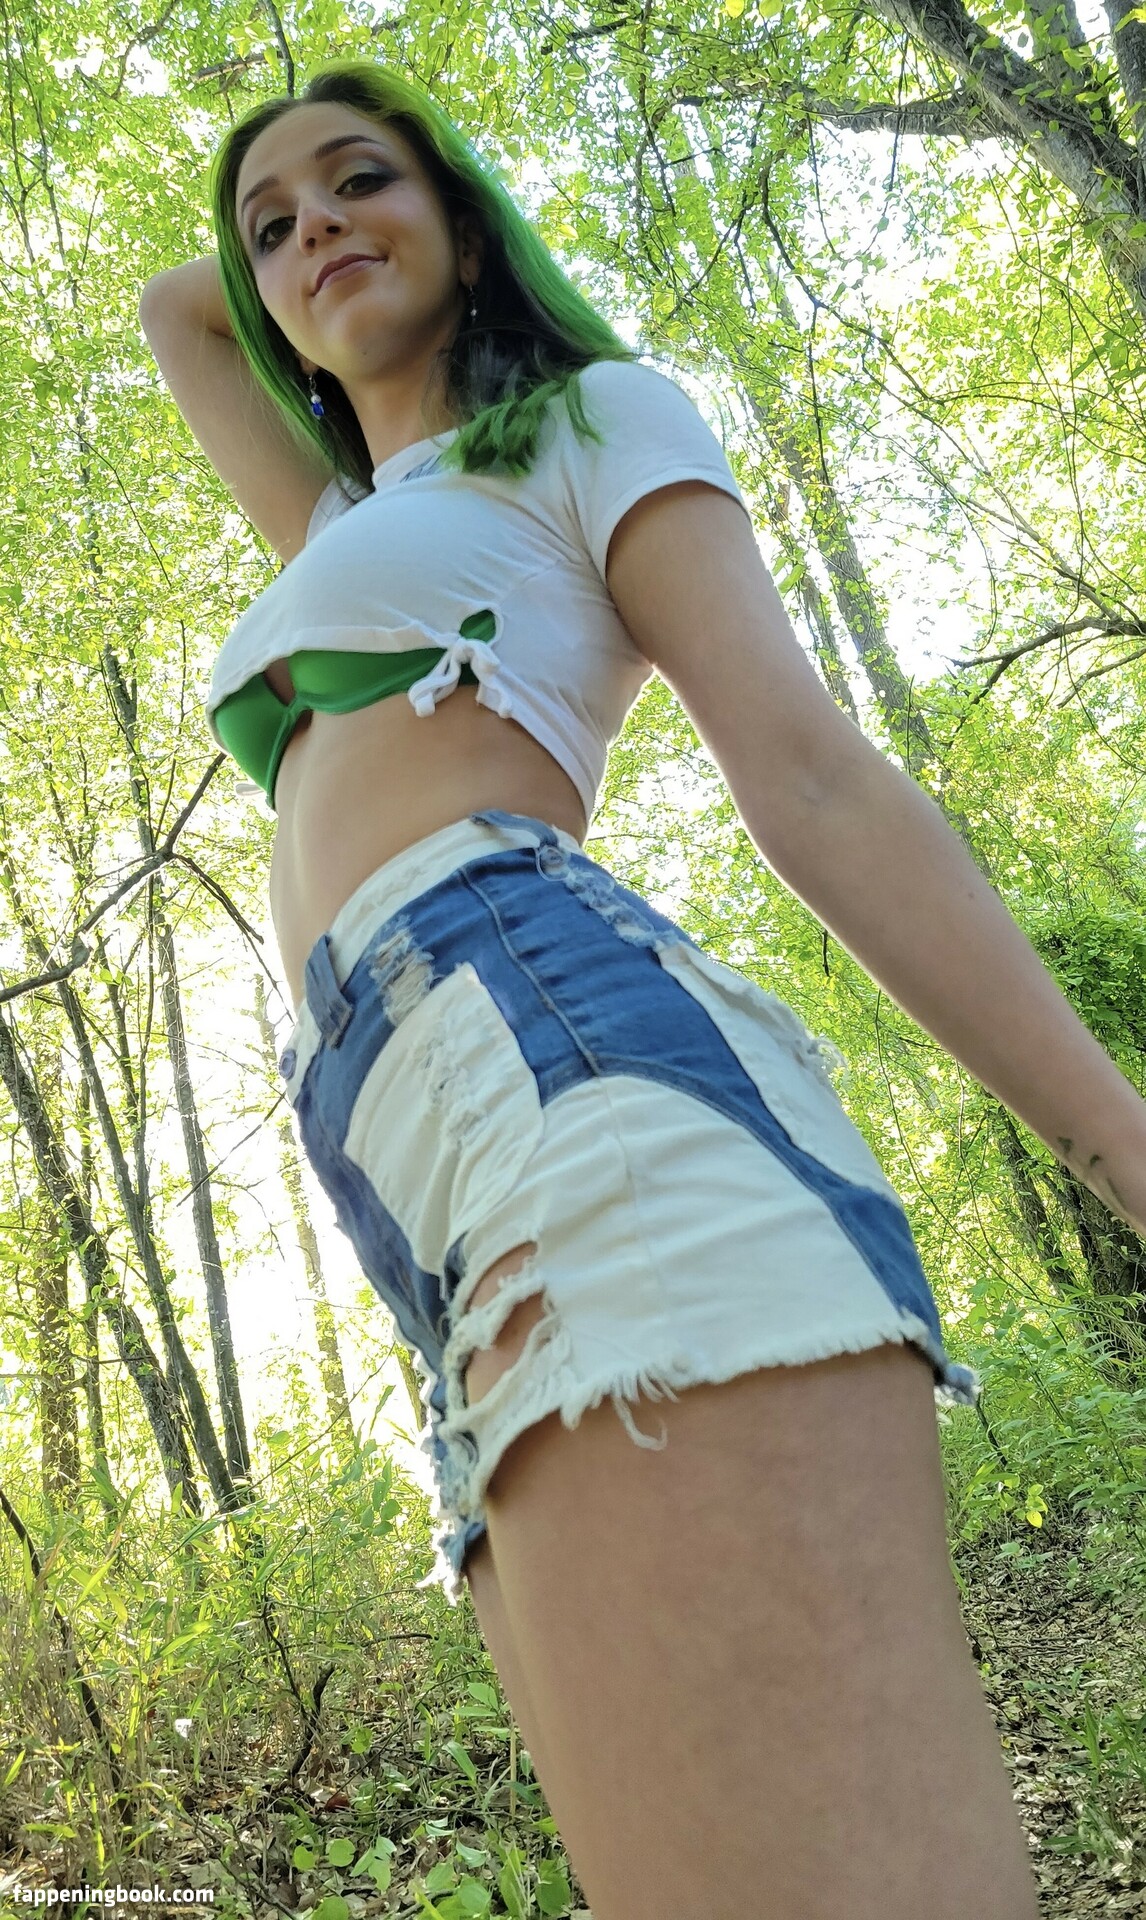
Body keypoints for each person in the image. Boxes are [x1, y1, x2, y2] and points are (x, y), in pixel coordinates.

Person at [138, 58, 1142, 1920]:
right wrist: (306, 235)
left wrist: (1119, 1147)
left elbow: (810, 775)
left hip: (556, 1041)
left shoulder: (590, 421)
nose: (311, 231)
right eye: (272, 225)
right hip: (408, 1172)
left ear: (467, 227)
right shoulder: (344, 529)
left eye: (361, 182)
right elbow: (173, 308)